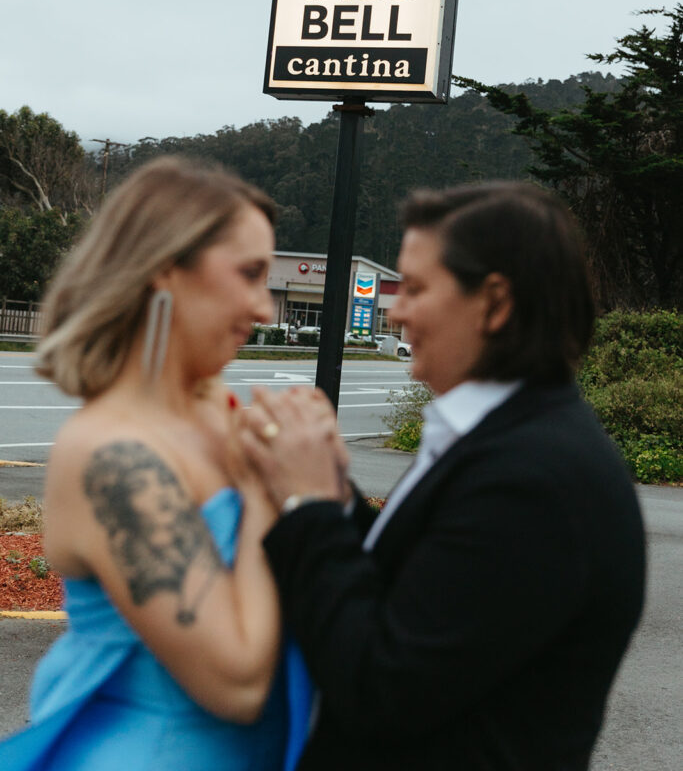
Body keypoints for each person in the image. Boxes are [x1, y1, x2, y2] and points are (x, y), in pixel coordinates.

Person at [241, 181, 646, 771]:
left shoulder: (535, 479)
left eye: (418, 289)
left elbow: (383, 687)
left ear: (495, 303)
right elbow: (422, 584)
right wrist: (329, 487)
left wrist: (310, 505)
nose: (396, 308)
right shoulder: (509, 439)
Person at [0, 157, 312, 771]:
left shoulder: (225, 413)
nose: (264, 309)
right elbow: (237, 686)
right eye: (249, 275)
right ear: (166, 268)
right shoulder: (109, 454)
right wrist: (273, 497)